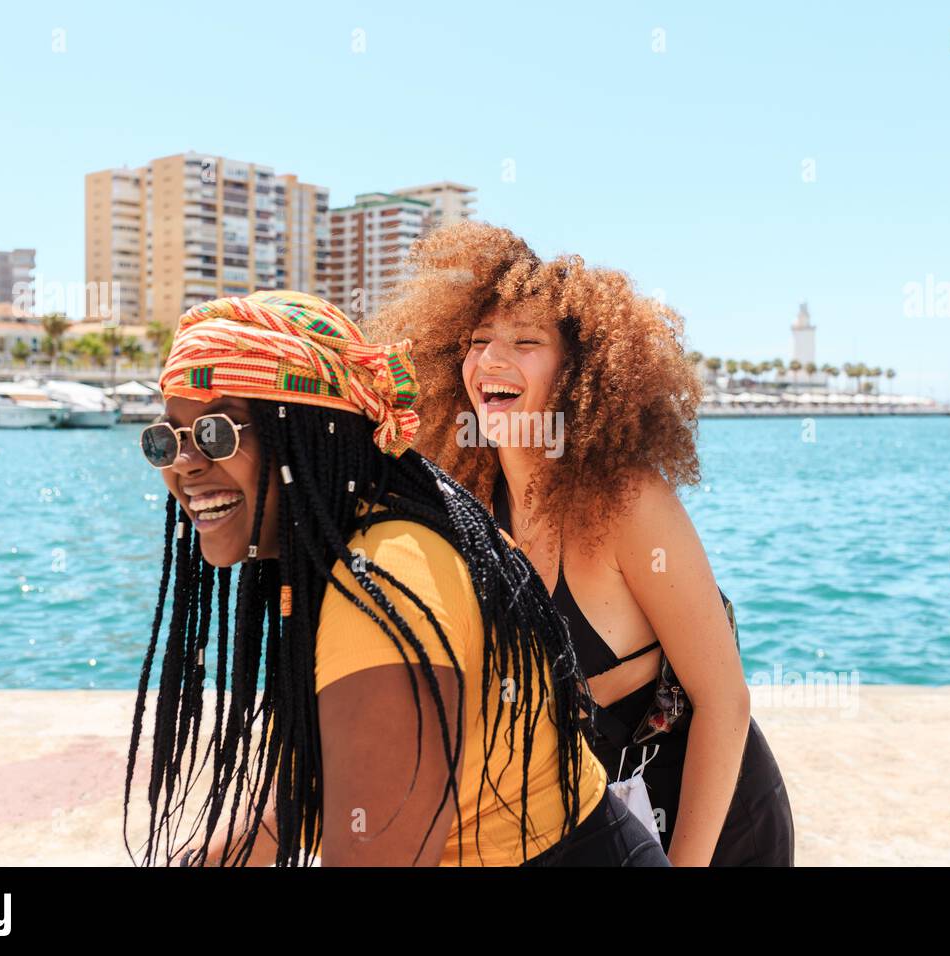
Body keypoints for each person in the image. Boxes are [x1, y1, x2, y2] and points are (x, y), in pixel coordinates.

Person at [122, 289, 669, 867]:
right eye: (166, 441)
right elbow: (312, 804)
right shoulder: (357, 546)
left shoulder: (382, 583)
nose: (185, 463)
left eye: (216, 433)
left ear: (310, 433)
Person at [374, 222, 795, 866]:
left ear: (579, 372)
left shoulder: (629, 503)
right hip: (590, 824)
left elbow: (724, 700)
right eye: (477, 340)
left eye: (525, 341)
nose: (490, 360)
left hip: (709, 822)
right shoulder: (470, 501)